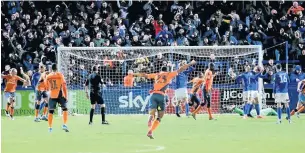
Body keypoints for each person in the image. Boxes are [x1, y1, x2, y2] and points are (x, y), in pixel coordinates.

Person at [136, 60, 196, 139]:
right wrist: (190, 63)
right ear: (166, 70)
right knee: (159, 117)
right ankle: (150, 131)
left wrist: (134, 74)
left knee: (151, 114)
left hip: (153, 95)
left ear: (161, 70)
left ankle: (150, 121)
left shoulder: (156, 75)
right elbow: (181, 69)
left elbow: (145, 75)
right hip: (161, 96)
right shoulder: (169, 74)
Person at [45, 64, 69, 132]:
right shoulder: (60, 75)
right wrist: (66, 96)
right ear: (57, 68)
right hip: (60, 94)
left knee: (51, 112)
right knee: (65, 109)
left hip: (52, 94)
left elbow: (46, 85)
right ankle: (64, 124)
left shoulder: (48, 76)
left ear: (51, 69)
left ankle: (50, 128)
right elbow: (64, 86)